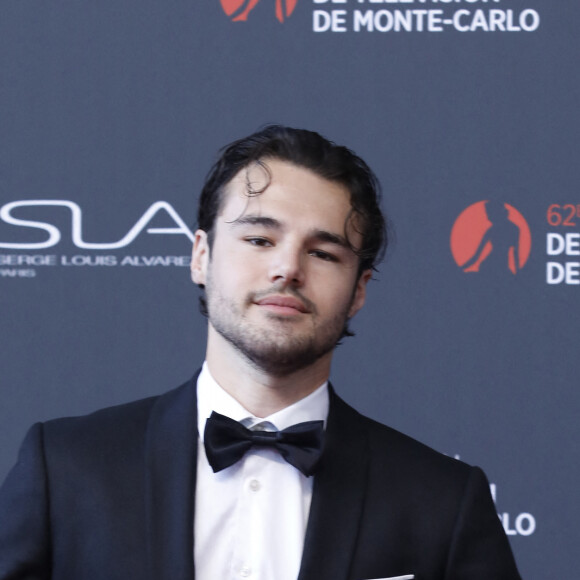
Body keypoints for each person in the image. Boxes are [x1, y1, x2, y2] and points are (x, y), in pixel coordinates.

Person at [0, 125, 521, 580]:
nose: (287, 269)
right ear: (201, 256)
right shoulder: (66, 468)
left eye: (322, 253)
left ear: (359, 291)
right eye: (259, 240)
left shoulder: (443, 502)